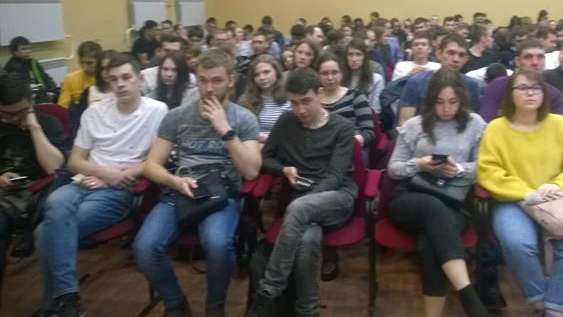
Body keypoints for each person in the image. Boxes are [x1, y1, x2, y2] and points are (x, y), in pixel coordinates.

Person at [35, 53, 168, 316]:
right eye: (113, 79)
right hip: (84, 181)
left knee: (43, 233)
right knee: (54, 201)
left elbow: (155, 161)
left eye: (126, 77)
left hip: (120, 189)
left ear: (140, 79)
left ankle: (56, 303)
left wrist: (113, 177)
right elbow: (74, 161)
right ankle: (68, 298)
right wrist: (102, 171)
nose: (120, 84)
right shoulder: (94, 112)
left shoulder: (157, 110)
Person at [133, 48, 261, 317]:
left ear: (231, 81)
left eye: (216, 81)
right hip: (179, 189)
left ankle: (214, 308)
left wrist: (225, 129)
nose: (209, 88)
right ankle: (176, 304)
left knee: (218, 244)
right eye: (203, 80)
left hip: (220, 194)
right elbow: (151, 165)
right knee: (144, 247)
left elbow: (250, 171)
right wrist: (173, 180)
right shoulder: (177, 116)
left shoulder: (244, 118)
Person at [478, 68, 563, 317]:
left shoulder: (560, 125)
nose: (530, 93)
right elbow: (489, 172)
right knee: (517, 243)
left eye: (536, 88)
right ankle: (541, 298)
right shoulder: (496, 128)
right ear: (511, 94)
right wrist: (526, 193)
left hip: (557, 200)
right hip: (514, 201)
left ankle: (552, 310)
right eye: (523, 88)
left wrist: (559, 184)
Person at [246, 68, 357, 317]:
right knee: (307, 240)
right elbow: (266, 158)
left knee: (298, 207)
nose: (301, 110)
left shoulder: (342, 127)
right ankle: (308, 311)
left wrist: (305, 201)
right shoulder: (287, 122)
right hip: (302, 202)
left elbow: (335, 177)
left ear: (319, 94)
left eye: (306, 101)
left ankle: (268, 291)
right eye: (294, 103)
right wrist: (283, 169)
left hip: (337, 197)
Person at [387, 69, 488, 317]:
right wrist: (418, 164)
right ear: (431, 100)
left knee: (429, 245)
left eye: (452, 102)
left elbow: (485, 167)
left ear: (461, 100)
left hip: (453, 201)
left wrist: (460, 169)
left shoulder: (475, 124)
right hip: (411, 198)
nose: (446, 109)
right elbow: (393, 169)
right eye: (440, 102)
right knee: (432, 208)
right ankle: (469, 298)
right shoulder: (415, 125)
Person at [0, 73, 67, 291]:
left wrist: (34, 127)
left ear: (31, 101)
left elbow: (54, 168)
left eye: (20, 111)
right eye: (6, 114)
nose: (14, 118)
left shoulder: (47, 123)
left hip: (31, 194)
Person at [398, 34, 482, 126]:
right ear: (439, 54)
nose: (456, 59)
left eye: (461, 55)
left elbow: (472, 122)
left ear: (466, 59)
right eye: (451, 53)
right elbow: (404, 122)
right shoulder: (416, 82)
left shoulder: (472, 85)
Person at [479, 38, 563, 122]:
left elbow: (557, 127)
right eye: (528, 57)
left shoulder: (555, 95)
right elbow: (485, 123)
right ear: (517, 61)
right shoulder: (498, 86)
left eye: (540, 57)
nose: (535, 62)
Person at [315, 52, 374, 148]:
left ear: (341, 73)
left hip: (351, 147)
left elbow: (369, 133)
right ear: (318, 75)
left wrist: (350, 142)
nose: (330, 78)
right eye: (325, 73)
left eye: (334, 72)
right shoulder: (313, 98)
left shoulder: (356, 96)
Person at [238, 54, 291, 145]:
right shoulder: (245, 101)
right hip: (254, 145)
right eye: (257, 75)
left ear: (276, 72)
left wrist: (271, 139)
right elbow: (241, 130)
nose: (262, 78)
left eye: (266, 72)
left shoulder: (289, 97)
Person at [4, 36, 57, 103]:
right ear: (14, 51)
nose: (28, 51)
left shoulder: (33, 62)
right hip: (30, 100)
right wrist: (45, 95)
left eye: (29, 48)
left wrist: (52, 89)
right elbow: (24, 89)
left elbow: (45, 76)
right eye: (24, 49)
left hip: (44, 94)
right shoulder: (12, 67)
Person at [343, 39, 385, 113]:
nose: (354, 59)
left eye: (358, 54)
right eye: (350, 54)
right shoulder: (340, 78)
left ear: (365, 57)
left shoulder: (377, 79)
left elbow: (376, 110)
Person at [57, 41, 102, 108]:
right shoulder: (70, 79)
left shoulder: (108, 77)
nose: (85, 68)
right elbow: (62, 109)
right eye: (81, 63)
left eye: (90, 63)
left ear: (100, 61)